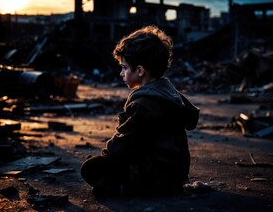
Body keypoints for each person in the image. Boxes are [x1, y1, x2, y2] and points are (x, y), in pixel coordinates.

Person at [80, 25, 200, 197]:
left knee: (90, 168)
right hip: (175, 174)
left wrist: (108, 154)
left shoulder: (145, 103)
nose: (121, 73)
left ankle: (126, 188)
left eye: (124, 68)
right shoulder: (167, 93)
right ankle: (125, 185)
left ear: (140, 71)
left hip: (157, 176)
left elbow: (126, 142)